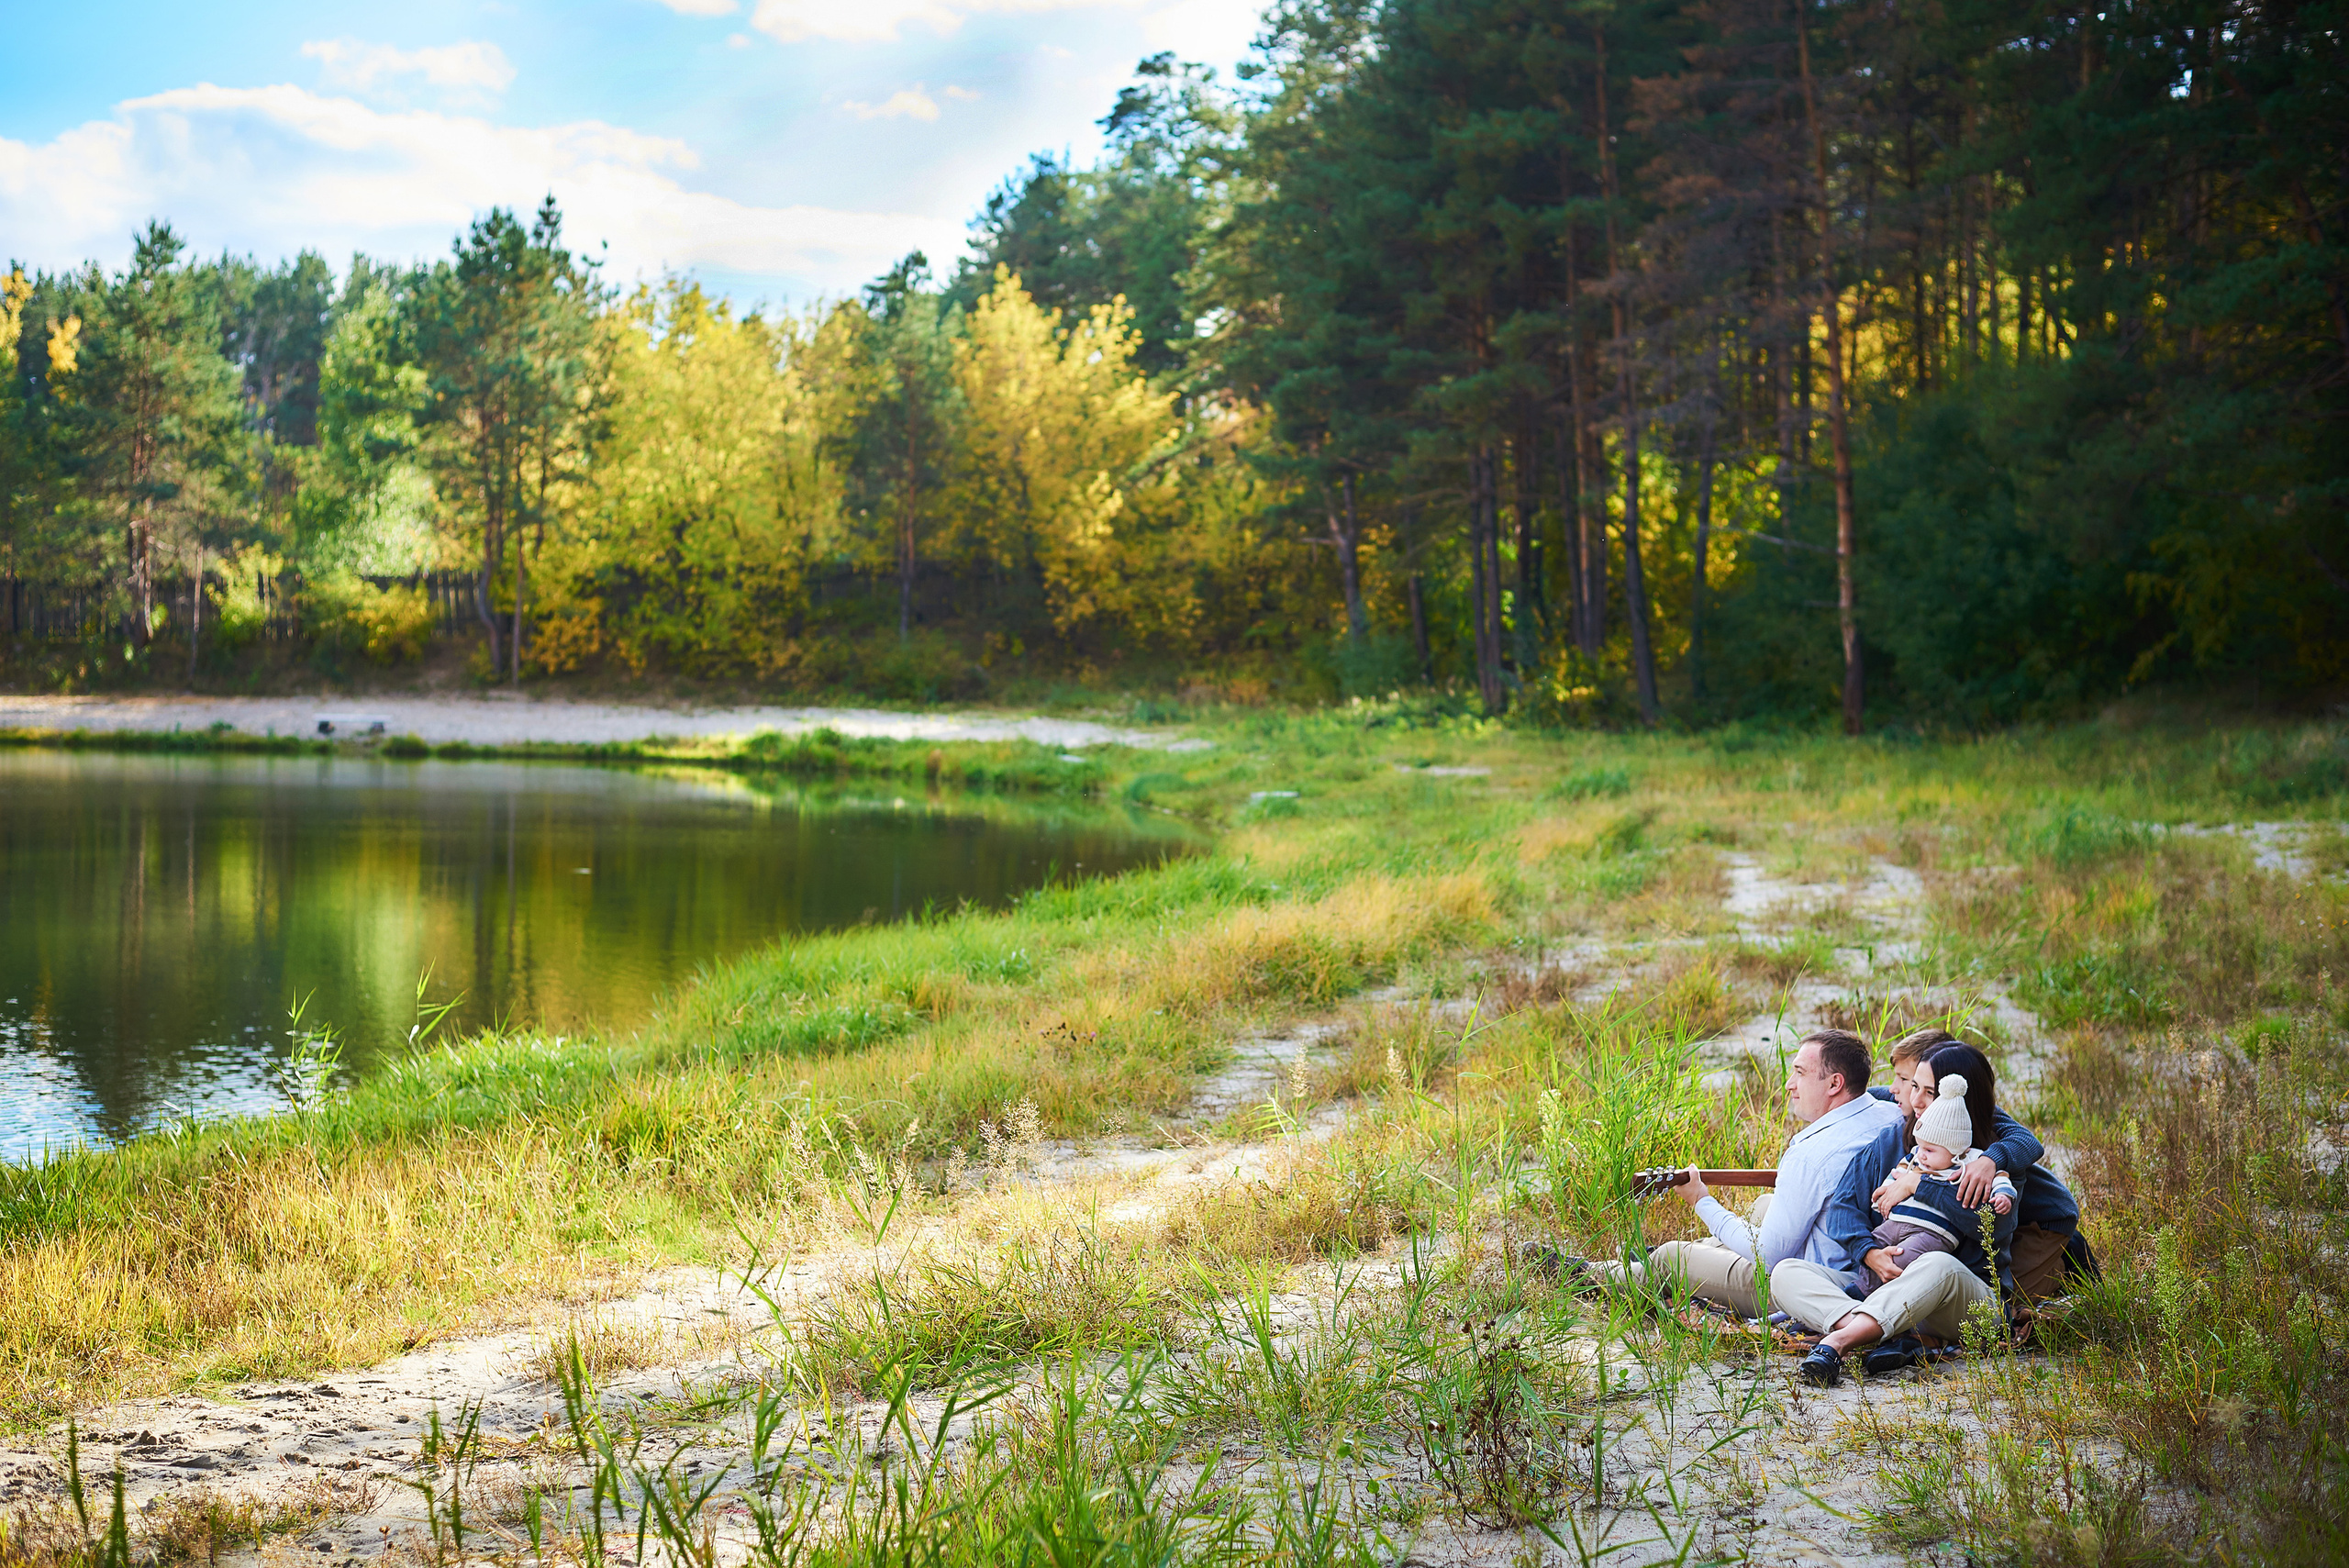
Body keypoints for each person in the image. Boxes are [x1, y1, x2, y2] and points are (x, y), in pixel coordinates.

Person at [1581, 1029, 1901, 1317]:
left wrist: (1701, 1201)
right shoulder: (1892, 1113)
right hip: (1859, 1263)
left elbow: (1767, 1256)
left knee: (1672, 1257)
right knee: (1763, 1206)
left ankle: (1589, 1275)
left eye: (1800, 1073)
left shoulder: (1811, 1155)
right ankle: (1653, 1264)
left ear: (1835, 1083)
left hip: (1809, 1287)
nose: (1789, 1084)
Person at [1857, 1073, 2015, 1298]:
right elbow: (1897, 1174)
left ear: (1958, 1149)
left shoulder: (1973, 1161)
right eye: (1920, 1146)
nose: (1922, 1154)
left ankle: (1880, 1301)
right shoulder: (1917, 1156)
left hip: (1932, 1230)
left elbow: (1999, 1177)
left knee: (1903, 1258)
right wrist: (1885, 1193)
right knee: (1875, 1245)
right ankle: (1862, 1290)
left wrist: (2003, 1195)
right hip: (1898, 1220)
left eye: (1930, 1150)